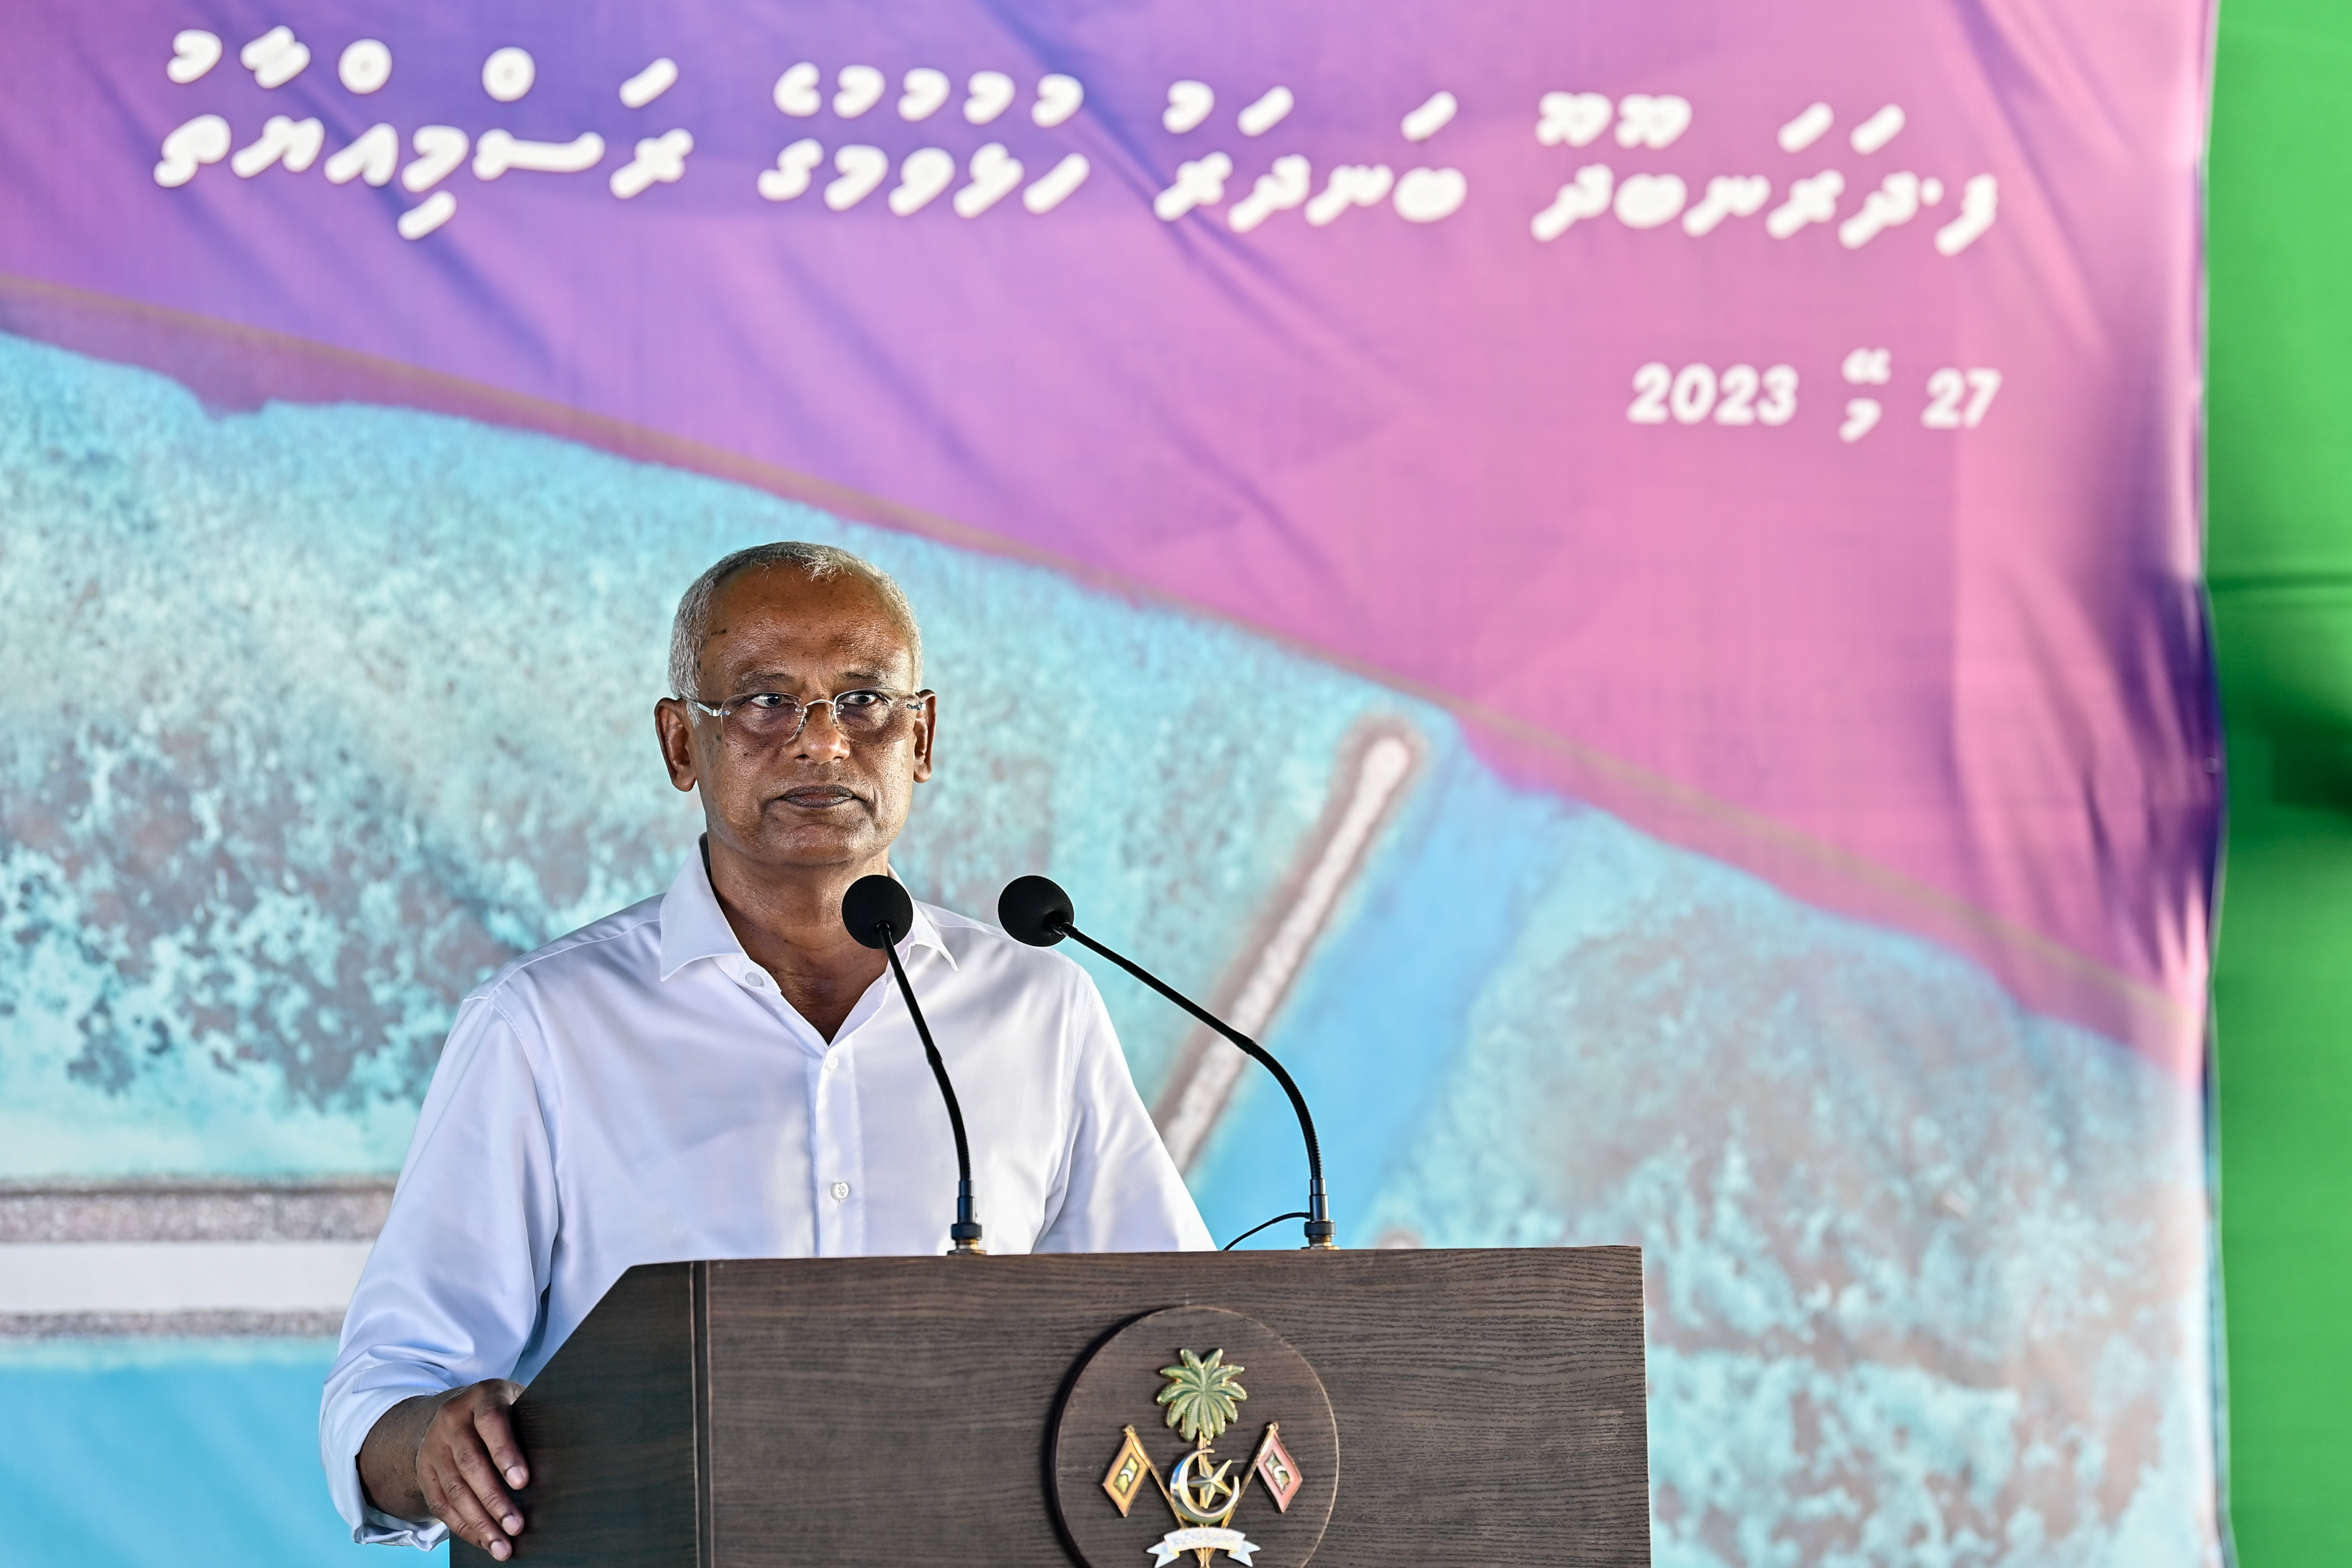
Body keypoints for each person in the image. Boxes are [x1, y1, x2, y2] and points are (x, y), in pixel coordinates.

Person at [321, 542, 1210, 1556]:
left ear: (922, 736)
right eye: (764, 701)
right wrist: (434, 1444)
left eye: (865, 699)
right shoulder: (544, 1026)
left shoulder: (1036, 1006)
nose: (821, 743)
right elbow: (386, 1392)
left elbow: (1176, 1341)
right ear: (678, 745)